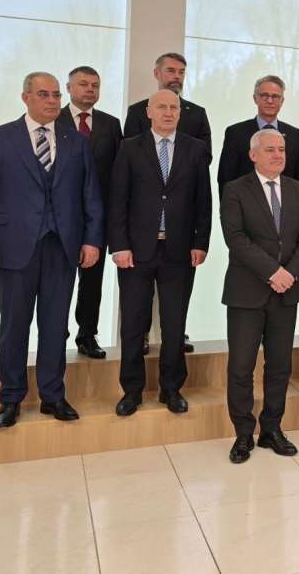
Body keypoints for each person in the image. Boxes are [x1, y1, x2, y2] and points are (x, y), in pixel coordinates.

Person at [0, 72, 103, 428]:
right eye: (44, 94)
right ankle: (11, 398)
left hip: (62, 249)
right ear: (25, 97)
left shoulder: (76, 142)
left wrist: (91, 240)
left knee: (55, 325)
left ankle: (53, 395)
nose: (52, 101)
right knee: (14, 326)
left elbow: (90, 196)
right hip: (13, 249)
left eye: (56, 95)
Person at [109, 90, 212, 417]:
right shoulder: (129, 147)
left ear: (180, 112)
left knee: (174, 323)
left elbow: (204, 201)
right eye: (162, 107)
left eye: (174, 107)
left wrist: (201, 242)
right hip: (135, 252)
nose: (168, 112)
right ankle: (131, 391)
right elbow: (117, 200)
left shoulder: (195, 149)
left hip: (179, 251)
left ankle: (172, 389)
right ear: (149, 112)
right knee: (133, 324)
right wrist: (119, 245)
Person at [221, 130, 299, 462]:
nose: (278, 155)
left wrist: (290, 273)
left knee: (279, 366)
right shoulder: (235, 190)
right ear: (253, 155)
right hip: (247, 292)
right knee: (241, 366)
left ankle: (272, 429)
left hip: (286, 292)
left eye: (282, 149)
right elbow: (235, 238)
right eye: (270, 149)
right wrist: (273, 272)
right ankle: (243, 433)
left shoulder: (298, 189)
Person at [125, 52, 211, 355]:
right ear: (157, 73)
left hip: (180, 231)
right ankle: (139, 345)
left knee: (175, 311)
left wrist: (201, 239)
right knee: (134, 312)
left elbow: (203, 172)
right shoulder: (136, 115)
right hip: (141, 232)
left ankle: (174, 368)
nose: (176, 76)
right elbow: (127, 173)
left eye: (181, 71)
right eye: (171, 70)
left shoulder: (196, 116)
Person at [57, 65, 122, 359]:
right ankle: (56, 334)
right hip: (61, 217)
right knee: (59, 280)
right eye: (83, 84)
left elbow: (119, 173)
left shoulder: (110, 124)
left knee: (92, 282)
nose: (90, 90)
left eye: (95, 85)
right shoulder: (54, 120)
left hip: (97, 218)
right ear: (69, 88)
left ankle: (87, 334)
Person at [217, 74, 299, 197]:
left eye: (275, 96)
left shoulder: (294, 135)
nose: (269, 101)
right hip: (246, 205)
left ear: (282, 101)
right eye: (264, 95)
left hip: (286, 207)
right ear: (255, 98)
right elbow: (225, 178)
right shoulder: (235, 133)